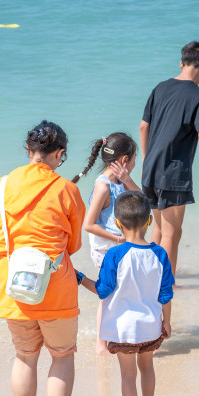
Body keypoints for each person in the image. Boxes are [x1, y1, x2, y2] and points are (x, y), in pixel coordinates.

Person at [0, 120, 94, 396]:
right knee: (62, 356)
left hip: (12, 289)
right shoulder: (66, 190)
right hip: (54, 289)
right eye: (61, 158)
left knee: (25, 357)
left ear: (28, 151)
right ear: (58, 154)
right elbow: (72, 246)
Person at [79, 191, 174, 396]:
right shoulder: (160, 254)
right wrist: (167, 322)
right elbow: (166, 294)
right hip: (151, 327)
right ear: (149, 222)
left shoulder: (115, 254)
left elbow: (102, 290)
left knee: (128, 376)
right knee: (147, 368)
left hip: (124, 331)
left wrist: (79, 278)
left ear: (118, 224)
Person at [139, 41, 199, 273]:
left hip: (150, 169)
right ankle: (166, 285)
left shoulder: (160, 87)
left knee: (160, 229)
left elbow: (143, 127)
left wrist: (146, 161)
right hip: (173, 174)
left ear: (181, 62)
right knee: (172, 233)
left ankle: (152, 274)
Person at [76, 132, 140, 355]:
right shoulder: (103, 186)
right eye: (133, 160)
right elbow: (89, 225)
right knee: (107, 294)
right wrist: (118, 239)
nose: (133, 164)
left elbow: (142, 202)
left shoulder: (121, 183)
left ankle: (120, 334)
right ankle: (101, 344)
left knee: (120, 292)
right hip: (106, 248)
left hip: (120, 247)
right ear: (124, 160)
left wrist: (128, 180)